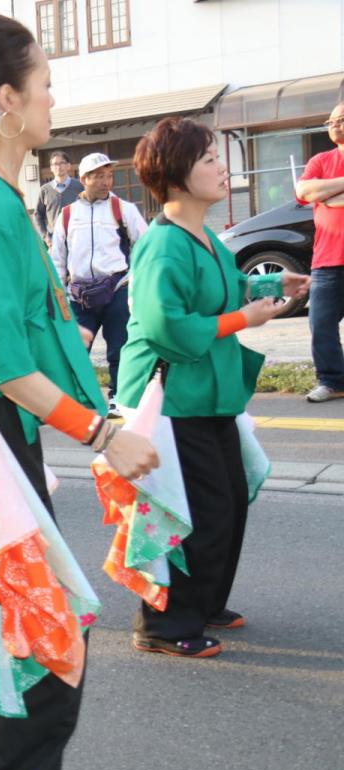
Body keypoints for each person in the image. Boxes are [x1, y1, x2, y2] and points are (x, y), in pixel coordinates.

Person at [0, 14, 158, 770]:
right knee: (47, 651)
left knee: (37, 645)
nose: (55, 96)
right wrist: (103, 432)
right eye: (46, 82)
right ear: (9, 99)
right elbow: (3, 362)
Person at [118, 117, 309, 657]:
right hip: (173, 397)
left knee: (227, 501)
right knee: (195, 510)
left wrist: (273, 284)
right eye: (208, 160)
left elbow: (228, 286)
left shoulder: (204, 236)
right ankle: (163, 623)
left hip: (207, 391)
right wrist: (242, 319)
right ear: (176, 174)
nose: (222, 168)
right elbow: (166, 326)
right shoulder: (164, 244)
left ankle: (201, 601)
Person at [50, 152, 148, 417]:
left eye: (109, 175)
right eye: (98, 176)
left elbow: (146, 244)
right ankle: (80, 399)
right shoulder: (68, 215)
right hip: (79, 293)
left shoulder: (123, 209)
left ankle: (118, 397)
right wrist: (59, 294)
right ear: (83, 179)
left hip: (116, 289)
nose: (106, 182)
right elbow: (57, 257)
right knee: (76, 349)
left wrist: (134, 278)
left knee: (119, 347)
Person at [295, 103, 344, 403]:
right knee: (321, 323)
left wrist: (327, 194)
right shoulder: (321, 160)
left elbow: (318, 194)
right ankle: (333, 380)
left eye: (341, 119)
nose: (335, 124)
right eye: (331, 120)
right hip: (326, 260)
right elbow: (304, 192)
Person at [34, 151, 82, 245]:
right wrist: (45, 236)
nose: (59, 166)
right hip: (54, 240)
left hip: (78, 239)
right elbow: (38, 214)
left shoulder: (80, 186)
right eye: (55, 164)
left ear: (68, 165)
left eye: (62, 163)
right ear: (51, 168)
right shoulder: (45, 190)